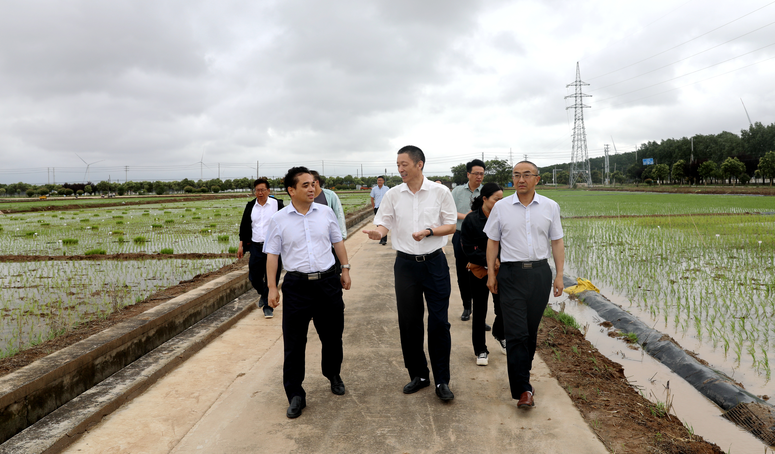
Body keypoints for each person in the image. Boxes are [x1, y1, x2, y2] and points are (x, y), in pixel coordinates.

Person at [363, 145, 458, 402]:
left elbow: (450, 225)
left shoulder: (440, 192)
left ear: (419, 164)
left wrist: (429, 231)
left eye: (404, 164)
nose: (400, 169)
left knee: (439, 322)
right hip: (405, 266)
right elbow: (384, 222)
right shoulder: (393, 194)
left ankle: (441, 380)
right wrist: (378, 233)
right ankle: (419, 374)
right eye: (397, 165)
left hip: (434, 264)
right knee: (409, 322)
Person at [264, 166, 352, 419]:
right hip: (296, 286)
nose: (312, 188)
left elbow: (338, 242)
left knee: (333, 336)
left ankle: (332, 373)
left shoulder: (325, 213)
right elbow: (272, 255)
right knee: (294, 343)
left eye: (313, 184)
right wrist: (272, 287)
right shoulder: (279, 219)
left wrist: (345, 270)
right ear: (291, 190)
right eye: (305, 185)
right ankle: (295, 394)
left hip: (328, 284)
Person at [484, 161, 564, 410]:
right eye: (516, 175)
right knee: (516, 333)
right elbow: (492, 242)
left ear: (537, 179)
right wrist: (491, 274)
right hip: (511, 274)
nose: (521, 179)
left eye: (526, 175)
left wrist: (559, 275)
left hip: (540, 273)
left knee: (529, 331)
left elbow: (557, 242)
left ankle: (523, 373)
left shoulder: (550, 206)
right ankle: (523, 389)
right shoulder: (501, 207)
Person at [461, 182, 505, 366]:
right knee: (479, 311)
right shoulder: (471, 220)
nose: (500, 203)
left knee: (503, 307)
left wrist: (498, 260)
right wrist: (490, 260)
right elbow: (469, 249)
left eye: (503, 200)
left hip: (501, 269)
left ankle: (500, 333)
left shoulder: (504, 217)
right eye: (497, 199)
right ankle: (480, 350)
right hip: (479, 271)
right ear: (485, 199)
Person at [237, 178, 285, 319]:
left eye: (263, 190)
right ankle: (265, 295)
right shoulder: (251, 206)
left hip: (273, 248)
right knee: (254, 276)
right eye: (257, 190)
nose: (260, 193)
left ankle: (268, 307)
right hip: (256, 246)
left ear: (268, 191)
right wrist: (241, 245)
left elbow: (285, 224)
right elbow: (244, 226)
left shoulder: (277, 204)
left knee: (273, 277)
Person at [450, 159, 485, 324]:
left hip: (481, 238)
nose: (479, 177)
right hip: (460, 236)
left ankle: (480, 314)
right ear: (468, 174)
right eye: (476, 173)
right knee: (462, 272)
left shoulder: (486, 191)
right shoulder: (457, 191)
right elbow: (449, 212)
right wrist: (469, 217)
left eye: (482, 174)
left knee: (480, 273)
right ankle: (466, 306)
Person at [310, 170, 347, 240]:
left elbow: (339, 215)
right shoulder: (305, 198)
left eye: (311, 183)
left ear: (317, 182)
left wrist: (342, 236)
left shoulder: (330, 196)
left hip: (329, 239)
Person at [370, 176, 390, 245]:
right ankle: (381, 238)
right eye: (378, 180)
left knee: (384, 223)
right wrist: (373, 207)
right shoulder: (374, 189)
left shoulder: (387, 189)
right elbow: (372, 198)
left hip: (385, 208)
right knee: (378, 223)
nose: (379, 182)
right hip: (377, 208)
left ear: (383, 181)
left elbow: (390, 198)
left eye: (381, 180)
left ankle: (384, 240)